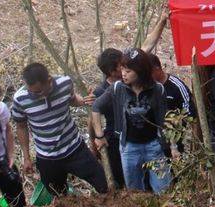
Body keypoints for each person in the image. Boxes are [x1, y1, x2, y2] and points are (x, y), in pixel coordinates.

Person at [12, 62, 107, 197]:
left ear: (49, 80)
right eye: (31, 91)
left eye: (38, 91)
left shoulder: (64, 83)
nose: (34, 95)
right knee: (59, 196)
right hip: (47, 158)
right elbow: (21, 126)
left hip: (75, 149)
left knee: (103, 184)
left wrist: (85, 100)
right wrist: (26, 157)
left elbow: (72, 100)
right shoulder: (20, 98)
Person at [92, 48, 172, 193]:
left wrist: (172, 146)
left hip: (153, 146)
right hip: (129, 147)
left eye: (128, 71)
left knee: (163, 188)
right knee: (134, 191)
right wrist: (99, 136)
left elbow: (164, 120)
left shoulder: (157, 90)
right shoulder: (118, 88)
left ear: (140, 71)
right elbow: (96, 107)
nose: (123, 74)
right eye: (122, 69)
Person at [90, 48, 125, 189]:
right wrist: (95, 143)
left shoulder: (131, 78)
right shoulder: (100, 91)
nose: (126, 66)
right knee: (120, 177)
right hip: (115, 140)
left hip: (136, 135)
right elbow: (93, 119)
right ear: (112, 71)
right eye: (121, 65)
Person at [150, 53, 196, 156]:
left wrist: (175, 121)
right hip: (152, 141)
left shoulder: (176, 86)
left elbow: (190, 111)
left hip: (173, 140)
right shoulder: (147, 87)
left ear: (157, 68)